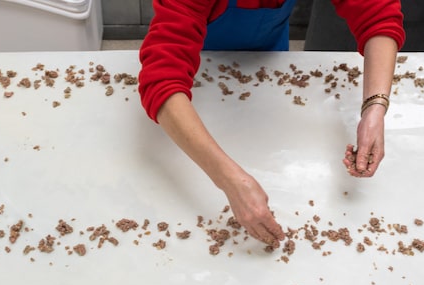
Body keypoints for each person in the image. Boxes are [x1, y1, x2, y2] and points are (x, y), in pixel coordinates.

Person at [138, 0, 406, 246]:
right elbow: (162, 79)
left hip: (270, 59)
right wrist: (229, 180)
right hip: (199, 78)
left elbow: (377, 14)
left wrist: (375, 107)